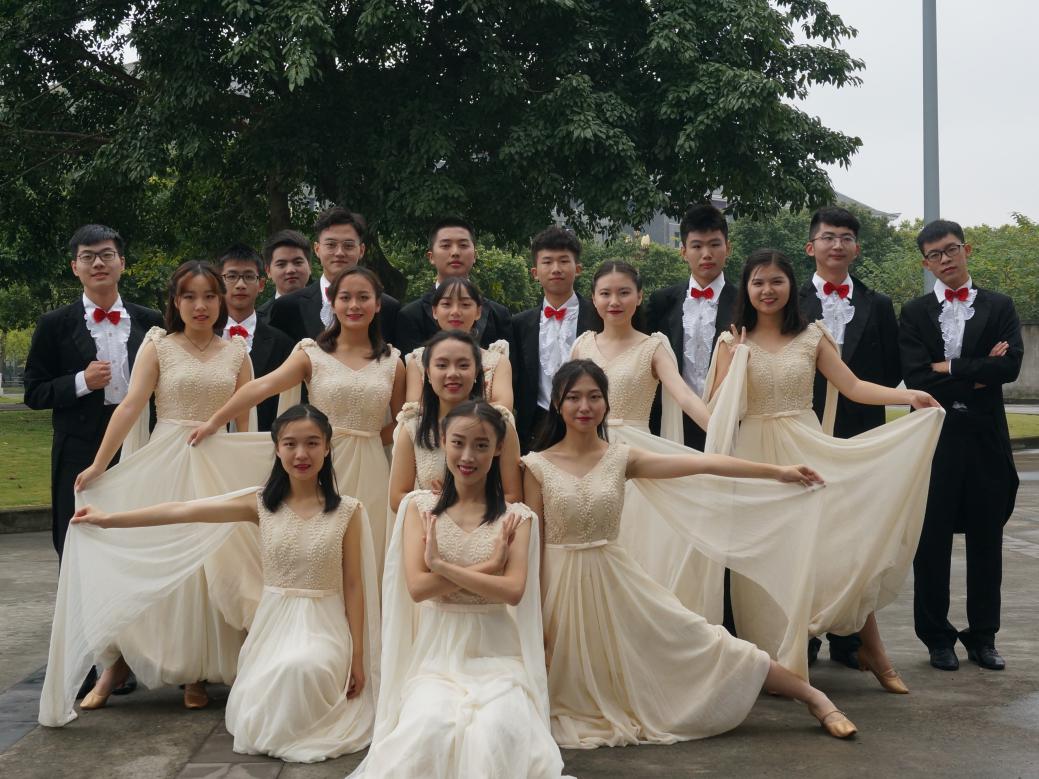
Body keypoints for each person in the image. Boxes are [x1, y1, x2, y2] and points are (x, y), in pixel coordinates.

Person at [523, 360, 857, 747]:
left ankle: (815, 698)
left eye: (594, 397)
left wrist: (775, 472)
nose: (585, 406)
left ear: (606, 403)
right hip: (557, 587)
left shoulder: (621, 458)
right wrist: (536, 616)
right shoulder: (536, 465)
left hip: (614, 578)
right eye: (574, 398)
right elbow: (533, 544)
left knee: (702, 640)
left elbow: (703, 463)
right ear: (557, 403)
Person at [42, 405, 381, 765]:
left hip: (325, 624)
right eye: (290, 444)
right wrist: (110, 519)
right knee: (281, 675)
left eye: (312, 443)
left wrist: (358, 658)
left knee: (303, 667)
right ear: (277, 449)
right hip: (275, 625)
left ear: (327, 447)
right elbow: (184, 510)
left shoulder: (348, 511)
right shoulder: (260, 504)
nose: (301, 454)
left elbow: (354, 586)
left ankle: (310, 719)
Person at [705, 248, 945, 685]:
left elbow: (853, 386)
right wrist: (737, 360)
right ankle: (778, 662)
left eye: (776, 281)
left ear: (790, 286)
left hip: (806, 448)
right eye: (758, 282)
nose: (767, 290)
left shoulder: (812, 336)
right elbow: (717, 411)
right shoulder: (731, 341)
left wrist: (908, 395)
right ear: (747, 289)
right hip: (754, 458)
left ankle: (875, 652)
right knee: (765, 559)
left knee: (834, 552)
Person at [70, 261, 276, 711]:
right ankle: (120, 664)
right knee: (160, 559)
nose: (200, 306)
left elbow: (245, 421)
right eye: (190, 296)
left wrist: (249, 476)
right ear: (175, 301)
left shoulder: (237, 353)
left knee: (212, 565)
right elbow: (131, 405)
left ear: (221, 301)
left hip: (218, 464)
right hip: (167, 461)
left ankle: (197, 673)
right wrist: (100, 463)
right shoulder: (158, 345)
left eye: (209, 296)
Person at [352, 400, 565, 778]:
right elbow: (418, 587)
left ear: (498, 448)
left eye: (481, 445)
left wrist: (442, 567)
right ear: (444, 443)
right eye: (458, 443)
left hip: (497, 655)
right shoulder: (419, 509)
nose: (468, 456)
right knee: (431, 727)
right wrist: (487, 567)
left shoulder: (517, 518)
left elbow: (513, 590)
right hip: (437, 655)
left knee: (494, 731)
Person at [23, 223, 162, 698]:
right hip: (79, 451)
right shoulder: (54, 324)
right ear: (74, 267)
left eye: (106, 254)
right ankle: (82, 663)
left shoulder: (151, 321)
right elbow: (34, 391)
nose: (98, 263)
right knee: (77, 550)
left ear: (122, 262)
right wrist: (81, 381)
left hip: (139, 448)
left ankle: (129, 660)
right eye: (88, 256)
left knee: (136, 548)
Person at [191, 267, 404, 567]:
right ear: (332, 303)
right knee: (317, 549)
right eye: (345, 297)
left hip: (372, 468)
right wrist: (215, 422)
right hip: (318, 463)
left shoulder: (393, 362)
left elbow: (402, 422)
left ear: (378, 304)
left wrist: (367, 440)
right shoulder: (312, 354)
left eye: (363, 297)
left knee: (368, 551)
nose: (354, 305)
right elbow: (262, 386)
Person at [899, 219, 1022, 672]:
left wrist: (948, 368)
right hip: (933, 438)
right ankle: (937, 638)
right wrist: (977, 371)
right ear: (925, 263)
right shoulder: (914, 312)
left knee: (987, 540)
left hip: (987, 439)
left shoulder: (999, 305)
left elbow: (1008, 368)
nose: (945, 259)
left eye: (951, 249)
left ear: (966, 250)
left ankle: (983, 637)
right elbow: (916, 377)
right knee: (930, 543)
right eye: (935, 254)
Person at [570, 261, 723, 622]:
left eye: (624, 292)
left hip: (636, 458)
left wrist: (720, 433)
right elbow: (566, 404)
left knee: (637, 548)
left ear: (639, 297)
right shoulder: (581, 345)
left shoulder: (652, 347)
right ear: (594, 298)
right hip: (586, 456)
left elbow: (684, 396)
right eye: (606, 293)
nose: (614, 301)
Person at [799, 206, 902, 669]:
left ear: (857, 248)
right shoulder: (790, 299)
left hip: (861, 431)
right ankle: (804, 635)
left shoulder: (878, 304)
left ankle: (850, 637)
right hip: (802, 428)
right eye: (828, 237)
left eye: (845, 238)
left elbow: (893, 369)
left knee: (855, 537)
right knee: (805, 534)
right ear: (811, 247)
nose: (836, 245)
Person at [389, 330, 522, 514]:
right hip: (428, 525)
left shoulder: (499, 424)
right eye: (442, 365)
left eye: (463, 365)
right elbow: (397, 498)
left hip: (487, 525)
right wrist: (439, 502)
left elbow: (513, 496)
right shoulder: (412, 426)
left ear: (477, 371)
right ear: (428, 373)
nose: (452, 373)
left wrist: (461, 503)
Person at [647, 203, 736, 450]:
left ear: (728, 248)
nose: (706, 254)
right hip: (671, 424)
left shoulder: (745, 304)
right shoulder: (661, 302)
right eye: (697, 246)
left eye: (715, 244)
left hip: (729, 422)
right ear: (683, 252)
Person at [511, 225, 601, 451]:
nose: (556, 269)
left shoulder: (599, 318)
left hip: (591, 422)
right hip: (535, 427)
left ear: (577, 269)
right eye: (547, 262)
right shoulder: (519, 324)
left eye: (563, 261)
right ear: (535, 272)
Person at [269, 207, 399, 346]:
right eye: (331, 245)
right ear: (317, 249)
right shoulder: (287, 307)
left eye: (348, 246)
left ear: (361, 250)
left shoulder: (388, 308)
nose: (339, 253)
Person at [394, 217, 513, 355]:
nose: (455, 252)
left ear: (475, 255)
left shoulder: (499, 315)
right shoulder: (410, 316)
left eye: (463, 245)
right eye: (446, 246)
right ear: (431, 257)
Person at [217, 244, 295, 432]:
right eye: (232, 276)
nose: (240, 284)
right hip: (208, 439)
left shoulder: (282, 344)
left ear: (261, 284)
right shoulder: (203, 337)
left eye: (249, 276)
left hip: (263, 439)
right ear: (218, 283)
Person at [404, 277, 513, 408]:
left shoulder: (497, 362)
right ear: (434, 311)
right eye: (446, 304)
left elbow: (503, 408)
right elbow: (414, 410)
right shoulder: (418, 361)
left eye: (465, 305)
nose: (455, 312)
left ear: (478, 312)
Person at [256, 229, 312, 322]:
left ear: (309, 266)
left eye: (298, 262)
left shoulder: (330, 309)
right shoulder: (258, 320)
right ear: (268, 271)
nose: (290, 270)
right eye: (281, 264)